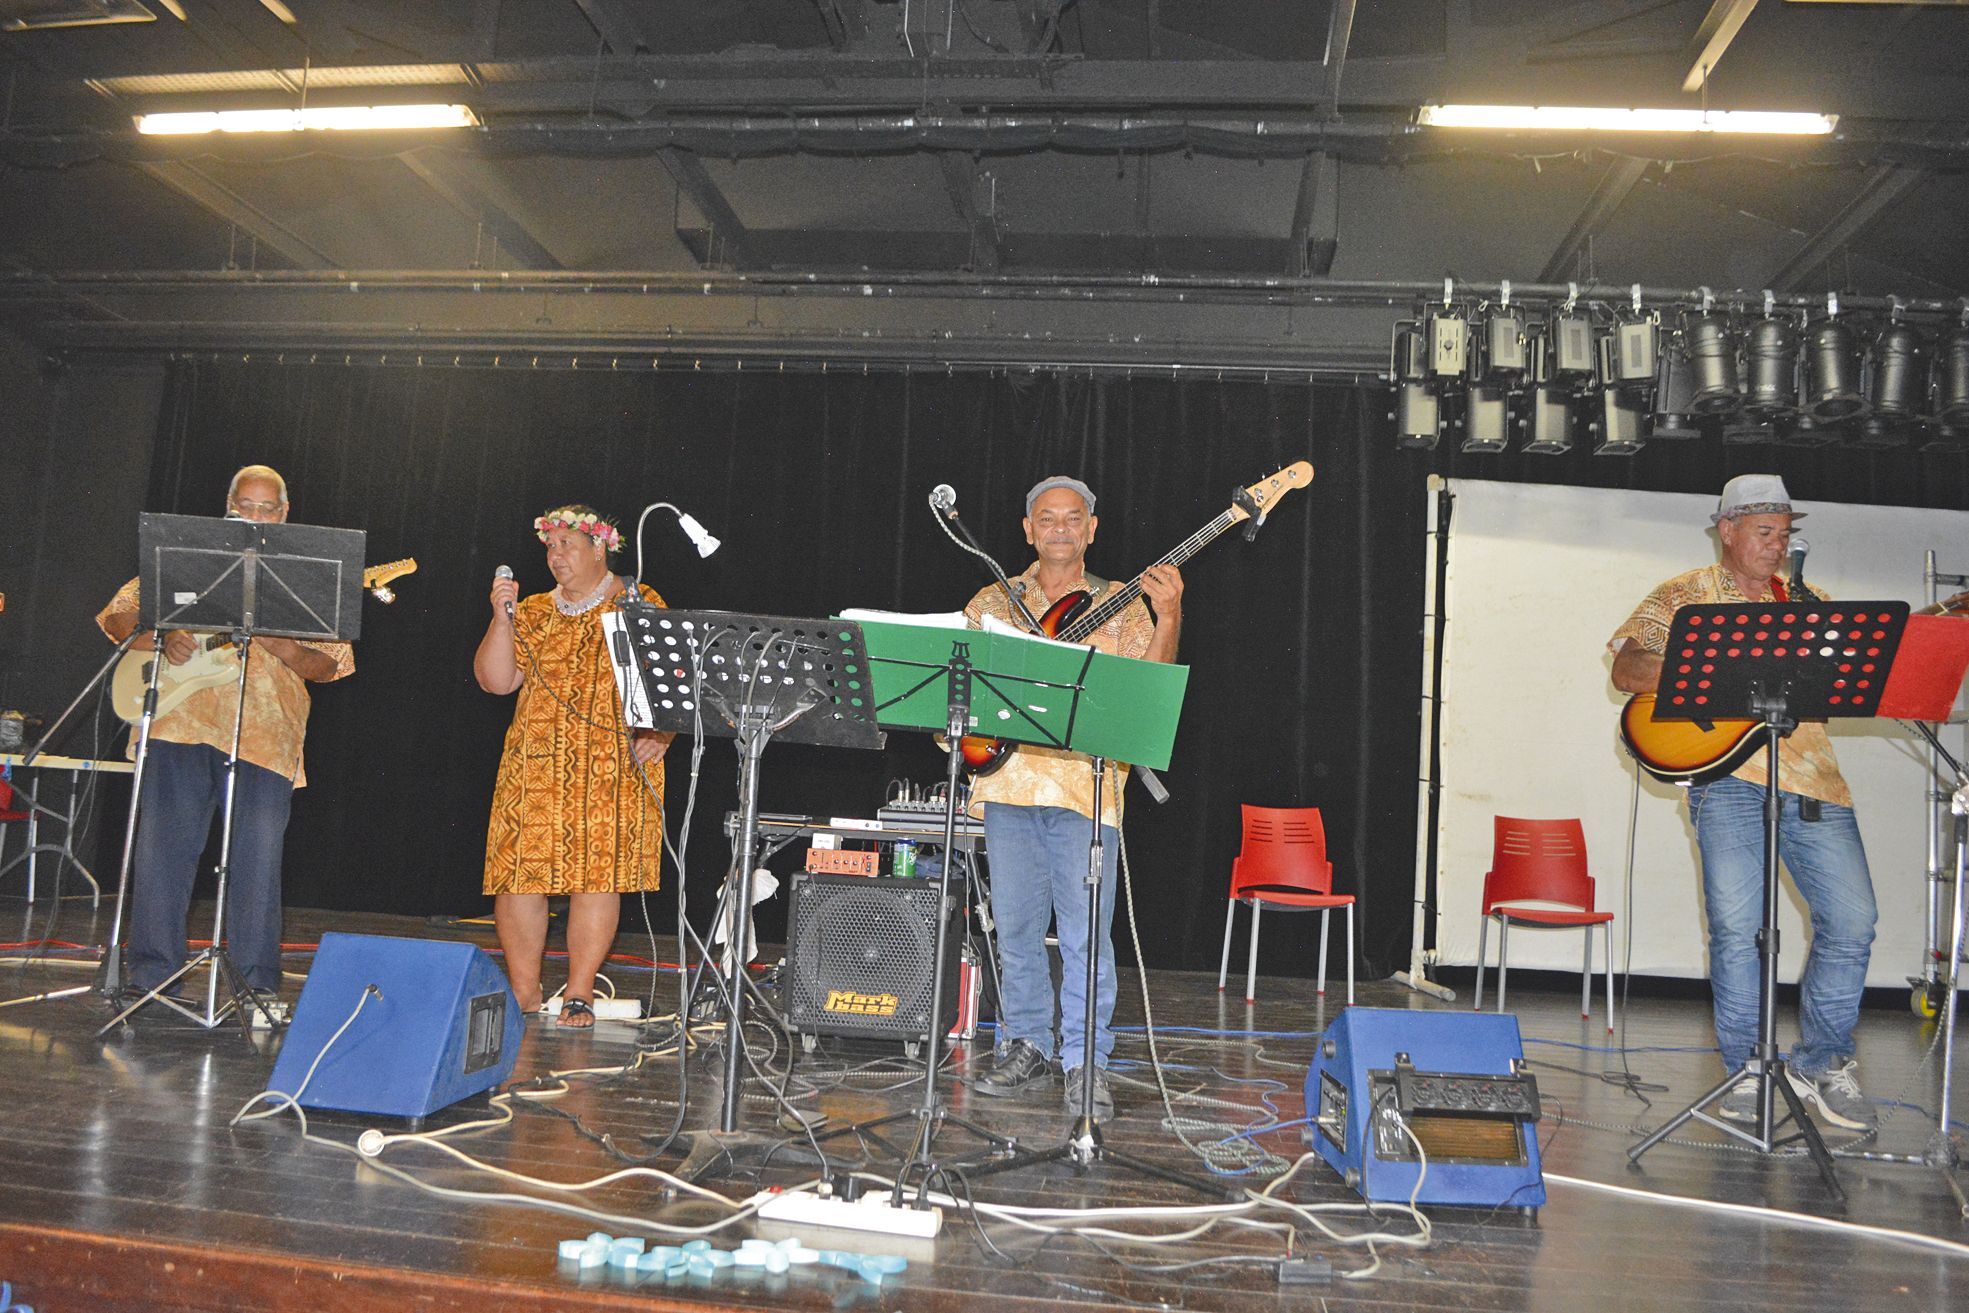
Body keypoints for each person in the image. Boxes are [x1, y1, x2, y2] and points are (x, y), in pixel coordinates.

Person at [1610, 474, 1879, 1129]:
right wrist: (1715, 671)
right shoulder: (1684, 594)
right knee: (1736, 933)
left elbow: (1850, 680)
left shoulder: (1811, 599)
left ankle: (1823, 1064)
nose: (1777, 545)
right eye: (1764, 532)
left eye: (1784, 533)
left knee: (1852, 921)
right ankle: (1746, 1073)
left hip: (1814, 785)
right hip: (1725, 782)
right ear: (1725, 530)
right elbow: (1626, 669)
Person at [97, 465, 354, 1016]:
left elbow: (331, 665)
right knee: (162, 853)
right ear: (228, 505)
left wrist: (283, 646)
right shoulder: (189, 553)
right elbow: (118, 617)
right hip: (179, 724)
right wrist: (161, 639)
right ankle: (152, 977)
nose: (256, 517)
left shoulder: (310, 572)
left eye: (267, 508)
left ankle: (256, 984)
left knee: (258, 861)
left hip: (265, 735)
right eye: (246, 505)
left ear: (285, 512)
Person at [966, 476, 1183, 1117]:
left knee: (1088, 935)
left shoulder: (1121, 602)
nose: (1059, 527)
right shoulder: (992, 601)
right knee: (1017, 932)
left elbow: (1150, 692)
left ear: (1092, 529)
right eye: (1046, 518)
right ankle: (1027, 1045)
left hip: (1088, 793)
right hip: (1006, 786)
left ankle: (1087, 1061)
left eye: (1073, 518)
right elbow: (966, 690)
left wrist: (1168, 613)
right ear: (1027, 530)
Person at [475, 504, 672, 1028]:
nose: (555, 556)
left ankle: (579, 992)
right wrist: (501, 618)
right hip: (535, 761)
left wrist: (661, 731)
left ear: (599, 547)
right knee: (519, 875)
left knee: (597, 876)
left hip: (611, 759)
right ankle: (523, 990)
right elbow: (497, 682)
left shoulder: (638, 601)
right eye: (550, 547)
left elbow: (673, 679)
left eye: (567, 545)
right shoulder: (535, 610)